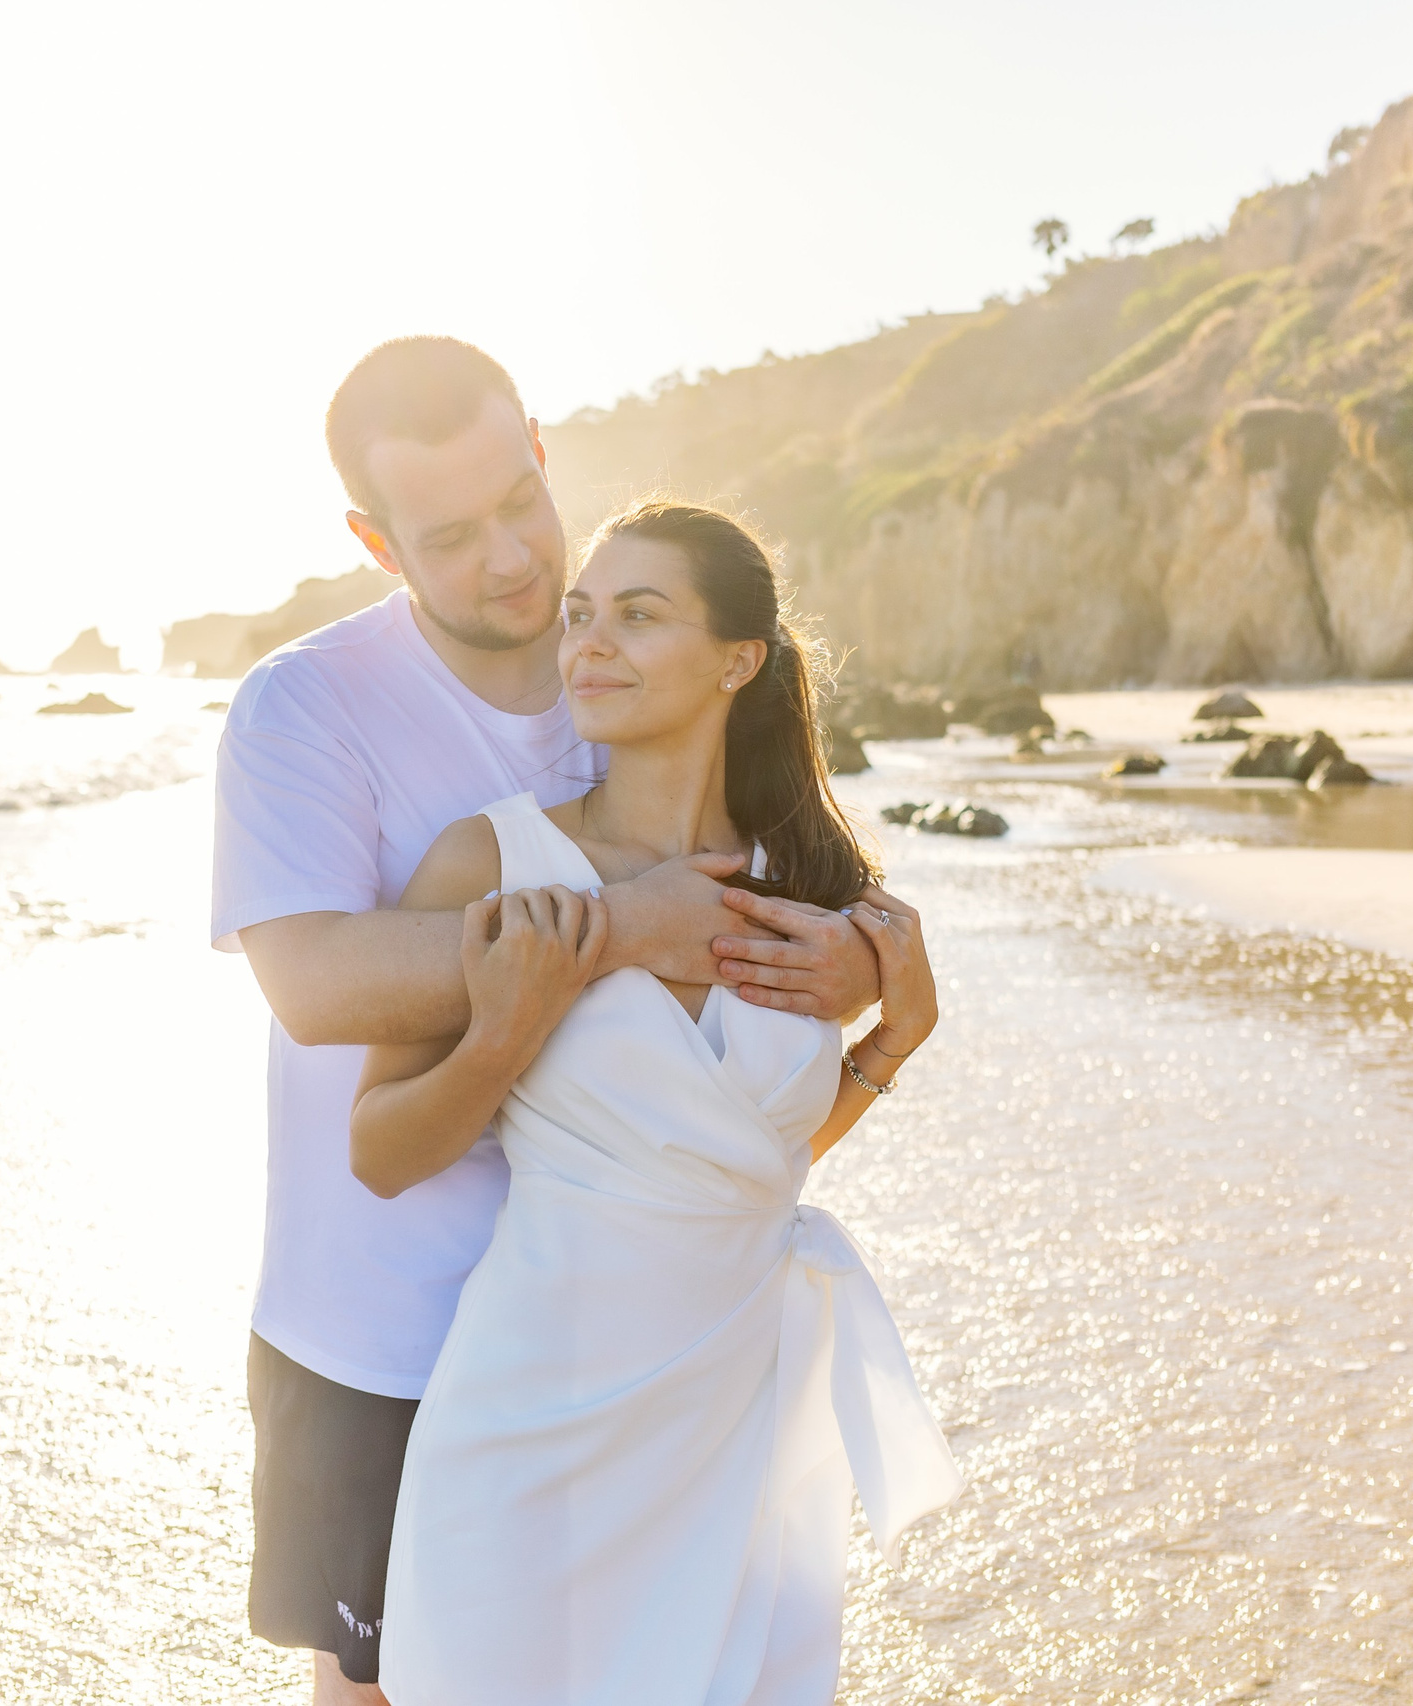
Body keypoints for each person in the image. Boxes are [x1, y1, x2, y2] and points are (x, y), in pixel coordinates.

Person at [210, 338, 885, 1704]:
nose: (514, 562)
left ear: (537, 439)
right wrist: (613, 927)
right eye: (451, 538)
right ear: (375, 540)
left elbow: (789, 905)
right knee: (390, 1684)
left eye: (520, 500)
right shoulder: (306, 707)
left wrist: (883, 967)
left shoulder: (628, 691)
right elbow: (316, 985)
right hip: (386, 1324)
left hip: (638, 1336)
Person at [359, 500, 961, 1705]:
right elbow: (380, 1149)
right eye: (581, 616)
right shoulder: (492, 861)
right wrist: (514, 1020)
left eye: (638, 615)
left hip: (731, 1432)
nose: (589, 643)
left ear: (739, 658)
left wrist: (893, 1039)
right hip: (530, 1431)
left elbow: (745, 1158)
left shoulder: (812, 895)